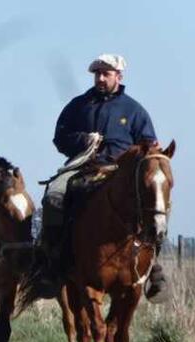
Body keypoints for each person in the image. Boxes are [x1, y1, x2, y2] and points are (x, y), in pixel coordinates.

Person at [37, 54, 168, 301]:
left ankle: (155, 270)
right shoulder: (78, 105)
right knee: (54, 196)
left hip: (122, 172)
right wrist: (83, 140)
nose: (100, 78)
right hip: (83, 167)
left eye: (106, 74)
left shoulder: (134, 110)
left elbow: (150, 145)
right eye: (97, 73)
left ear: (119, 76)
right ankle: (51, 262)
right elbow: (60, 137)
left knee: (154, 201)